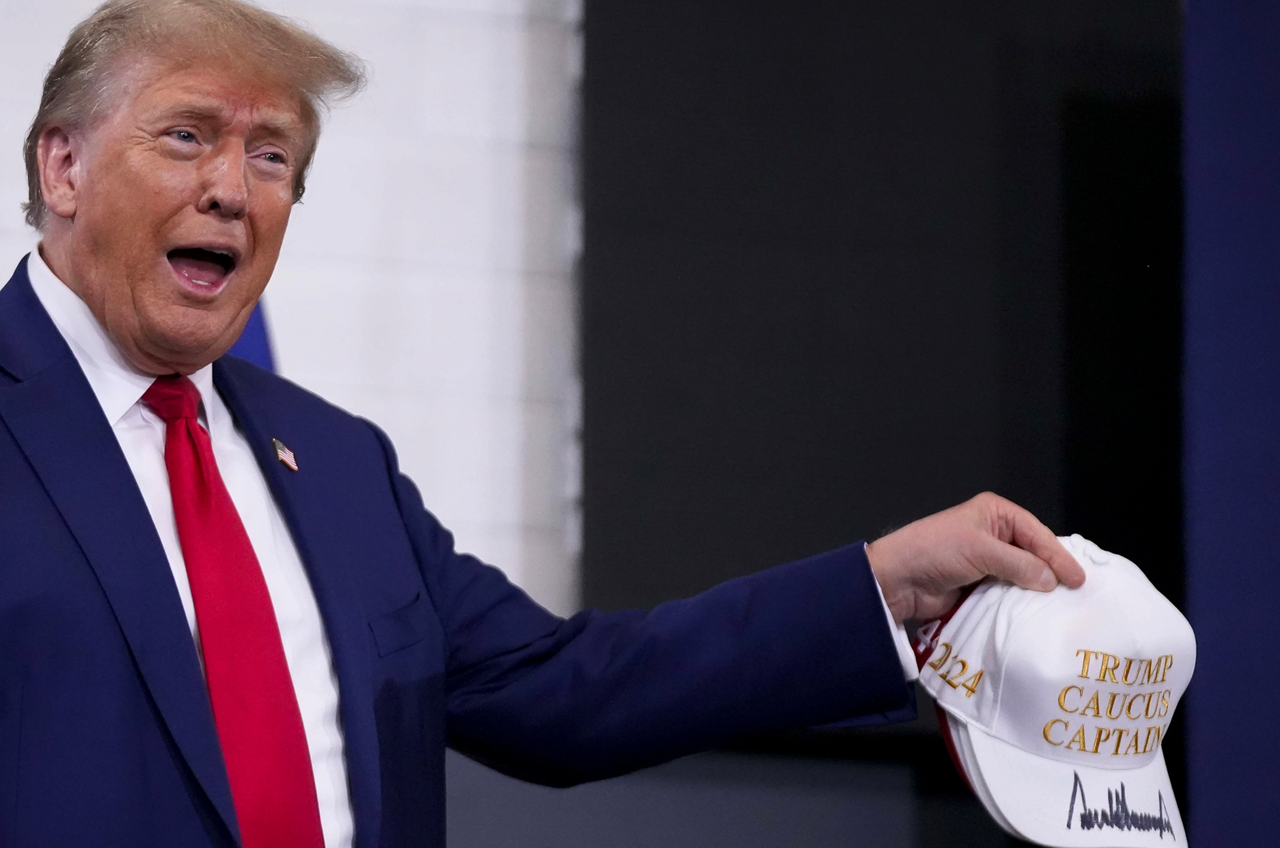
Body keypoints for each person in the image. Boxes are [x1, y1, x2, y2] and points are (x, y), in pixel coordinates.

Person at [0, 1, 1086, 846]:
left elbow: (569, 691)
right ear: (65, 166)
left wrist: (881, 585)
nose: (233, 189)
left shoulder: (336, 463)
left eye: (271, 154)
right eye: (186, 136)